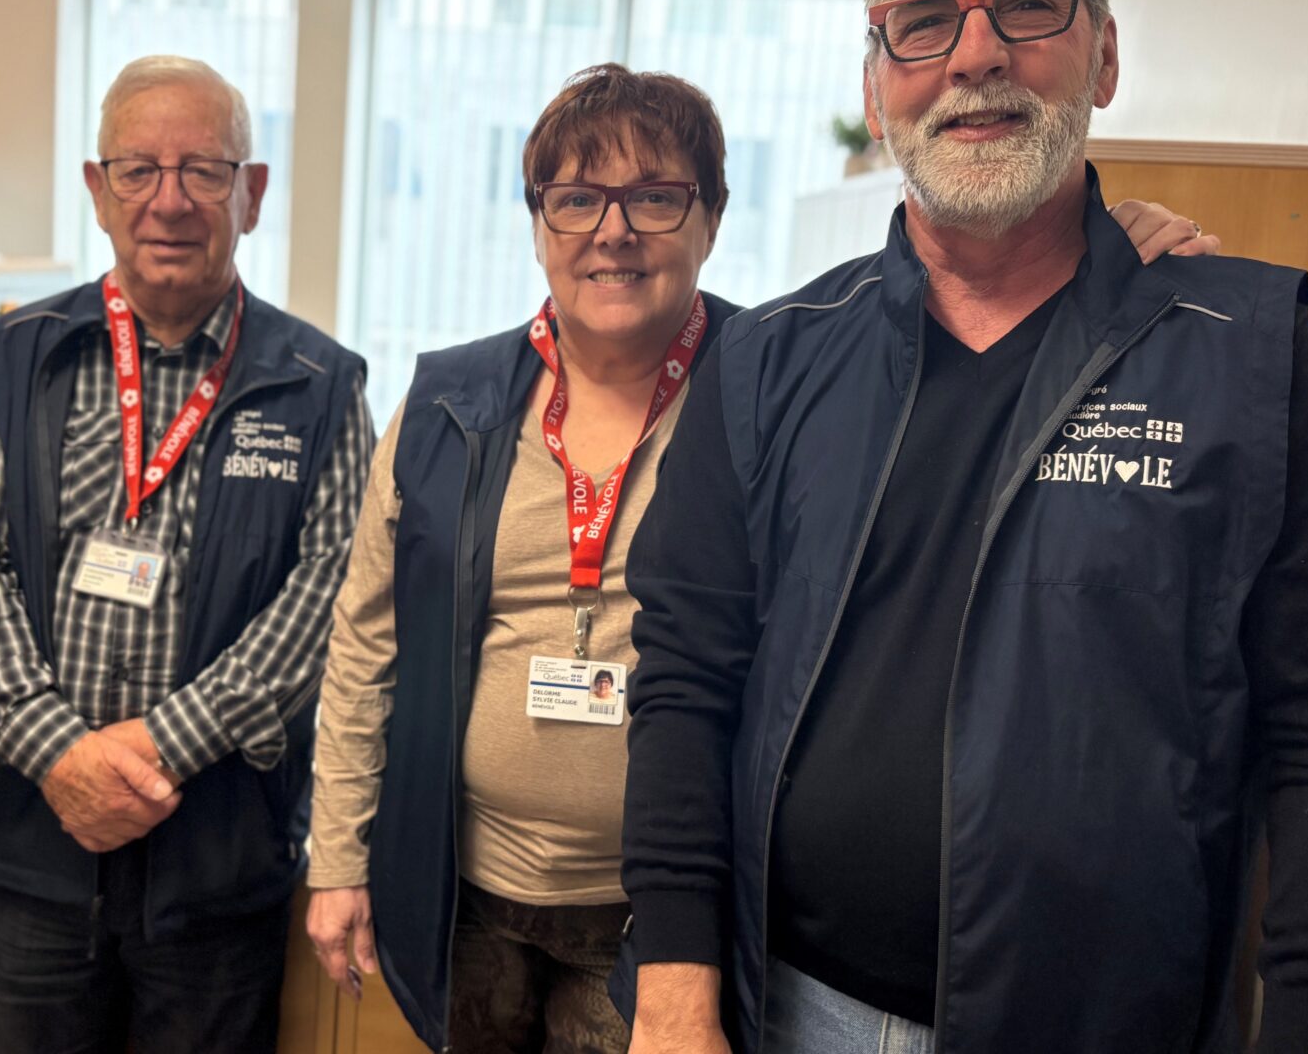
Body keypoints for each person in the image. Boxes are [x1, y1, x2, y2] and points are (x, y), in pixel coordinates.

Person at [304, 62, 1211, 1054]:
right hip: (468, 886)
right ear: (538, 222)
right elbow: (363, 650)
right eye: (576, 199)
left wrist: (1098, 252)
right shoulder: (445, 407)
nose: (613, 231)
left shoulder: (788, 381)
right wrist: (339, 856)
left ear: (714, 218)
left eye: (656, 196)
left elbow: (977, 369)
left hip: (671, 915)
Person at [618, 0, 1308, 1052]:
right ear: (877, 86)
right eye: (925, 20)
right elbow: (687, 684)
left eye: (1026, 3)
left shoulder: (1258, 364)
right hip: (779, 1011)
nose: (975, 54)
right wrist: (677, 998)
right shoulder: (763, 363)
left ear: (1103, 55)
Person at [0, 54, 372, 1053]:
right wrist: (57, 751)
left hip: (217, 861)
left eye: (203, 170)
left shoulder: (321, 386)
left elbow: (329, 593)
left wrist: (164, 742)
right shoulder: (18, 355)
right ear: (97, 189)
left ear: (250, 194)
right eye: (138, 169)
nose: (168, 200)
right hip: (36, 859)